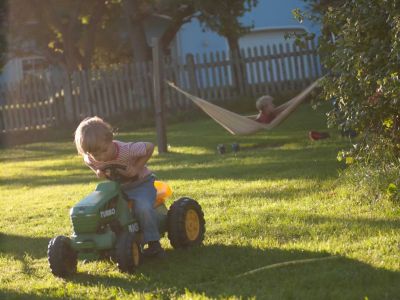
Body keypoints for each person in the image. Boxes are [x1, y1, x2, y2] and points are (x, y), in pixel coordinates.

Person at [74, 116, 163, 257]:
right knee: (105, 211)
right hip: (118, 188)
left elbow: (150, 147)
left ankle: (154, 243)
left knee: (143, 207)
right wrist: (97, 171)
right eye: (96, 154)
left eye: (104, 150)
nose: (102, 157)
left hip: (140, 184)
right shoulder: (91, 157)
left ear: (110, 140)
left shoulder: (126, 150)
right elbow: (88, 161)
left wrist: (137, 167)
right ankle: (102, 244)